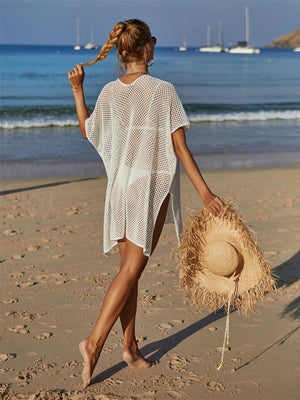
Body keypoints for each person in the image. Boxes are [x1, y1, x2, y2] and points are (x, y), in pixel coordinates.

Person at [68, 19, 224, 388]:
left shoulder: (107, 91)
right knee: (130, 272)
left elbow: (88, 131)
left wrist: (77, 91)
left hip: (120, 189)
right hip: (148, 190)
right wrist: (205, 193)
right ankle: (93, 344)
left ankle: (131, 348)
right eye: (152, 41)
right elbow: (180, 148)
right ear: (147, 48)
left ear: (123, 51)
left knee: (130, 272)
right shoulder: (163, 90)